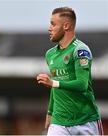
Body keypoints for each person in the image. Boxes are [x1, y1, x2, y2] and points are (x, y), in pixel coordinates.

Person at [36, 7, 104, 135]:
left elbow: (82, 84)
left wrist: (53, 83)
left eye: (53, 24)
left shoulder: (80, 50)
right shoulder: (50, 54)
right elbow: (55, 88)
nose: (49, 28)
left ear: (66, 26)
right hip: (59, 121)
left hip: (86, 121)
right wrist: (50, 112)